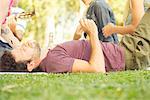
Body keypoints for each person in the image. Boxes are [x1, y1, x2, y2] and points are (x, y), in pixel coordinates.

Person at [0, 8, 150, 73]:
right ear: (31, 65)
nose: (24, 44)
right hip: (131, 52)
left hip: (124, 49)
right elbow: (97, 70)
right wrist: (93, 34)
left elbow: (75, 55)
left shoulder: (50, 58)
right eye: (22, 50)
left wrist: (76, 39)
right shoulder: (52, 61)